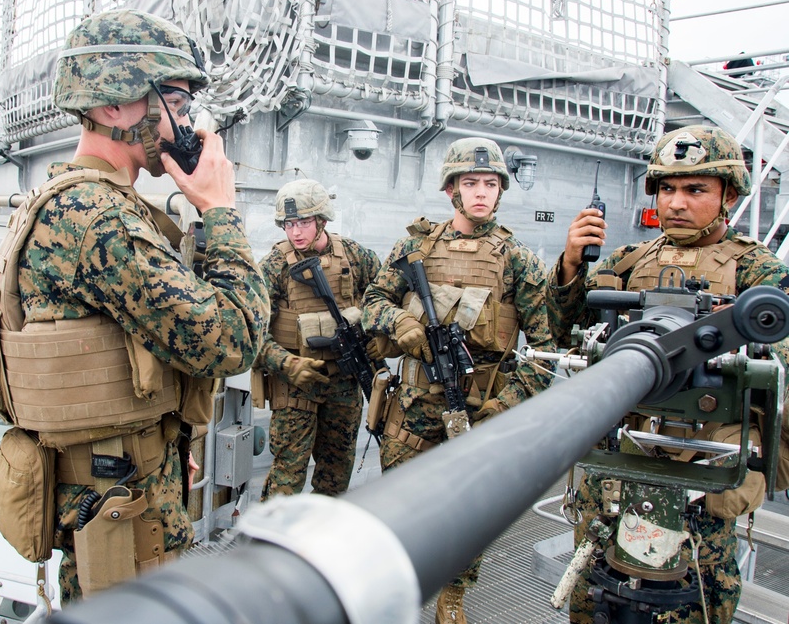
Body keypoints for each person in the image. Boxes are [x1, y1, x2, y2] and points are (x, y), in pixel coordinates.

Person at [0, 9, 270, 605]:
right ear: (116, 106)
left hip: (120, 486)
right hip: (122, 509)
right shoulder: (101, 219)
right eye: (177, 103)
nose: (188, 123)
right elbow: (235, 337)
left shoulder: (69, 199)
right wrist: (219, 211)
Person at [546, 124, 789, 624]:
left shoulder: (759, 273)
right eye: (667, 188)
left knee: (696, 597)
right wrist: (571, 264)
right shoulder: (627, 263)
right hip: (620, 460)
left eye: (695, 189)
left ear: (728, 195)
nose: (677, 202)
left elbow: (777, 367)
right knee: (593, 597)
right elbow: (565, 328)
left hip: (702, 469)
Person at [361, 137, 556, 624]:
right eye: (471, 183)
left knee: (467, 513)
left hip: (477, 409)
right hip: (411, 408)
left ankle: (453, 595)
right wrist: (402, 324)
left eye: (491, 184)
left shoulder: (517, 259)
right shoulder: (415, 247)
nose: (482, 193)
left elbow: (547, 352)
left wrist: (504, 407)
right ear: (452, 190)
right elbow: (373, 301)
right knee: (402, 505)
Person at [253, 179, 382, 500]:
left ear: (322, 221)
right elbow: (249, 332)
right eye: (289, 224)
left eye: (304, 223)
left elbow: (383, 298)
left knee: (335, 477)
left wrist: (374, 339)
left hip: (345, 381)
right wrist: (288, 363)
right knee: (287, 478)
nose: (295, 232)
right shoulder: (273, 266)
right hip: (296, 385)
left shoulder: (355, 257)